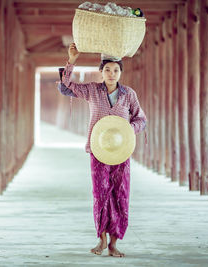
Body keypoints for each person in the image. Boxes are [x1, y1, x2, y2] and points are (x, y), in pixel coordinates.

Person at [59, 43, 147, 257]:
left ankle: (114, 243)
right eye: (107, 69)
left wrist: (128, 129)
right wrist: (72, 60)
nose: (111, 73)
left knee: (120, 195)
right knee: (100, 194)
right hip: (98, 151)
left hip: (121, 152)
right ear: (101, 72)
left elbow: (141, 119)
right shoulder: (92, 91)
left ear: (120, 73)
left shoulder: (129, 95)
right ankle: (101, 239)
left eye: (115, 70)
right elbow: (65, 87)